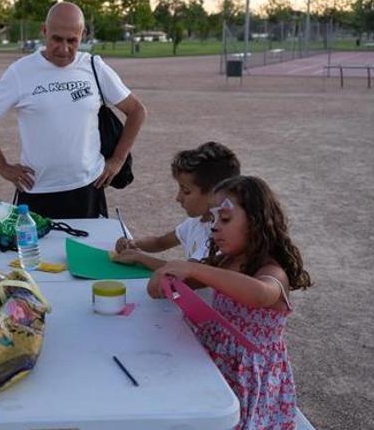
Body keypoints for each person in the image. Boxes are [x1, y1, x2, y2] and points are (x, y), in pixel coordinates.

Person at [124, 175, 312, 429]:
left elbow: (258, 294)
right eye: (212, 219)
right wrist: (163, 276)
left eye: (224, 218)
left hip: (249, 376)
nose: (214, 227)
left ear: (257, 222)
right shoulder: (224, 261)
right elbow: (181, 281)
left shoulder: (271, 271)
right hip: (214, 362)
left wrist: (195, 270)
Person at [0, 2, 147, 219]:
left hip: (88, 188)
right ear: (45, 31)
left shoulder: (94, 67)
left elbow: (137, 110)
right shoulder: (21, 71)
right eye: (57, 39)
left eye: (72, 41)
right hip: (37, 191)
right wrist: (3, 167)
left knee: (86, 253)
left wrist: (118, 160)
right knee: (38, 254)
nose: (64, 49)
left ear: (82, 35)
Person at [113, 142, 240, 269]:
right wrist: (133, 243)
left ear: (215, 194)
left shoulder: (221, 236)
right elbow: (160, 242)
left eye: (186, 191)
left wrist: (139, 258)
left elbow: (190, 274)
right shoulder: (196, 221)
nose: (178, 198)